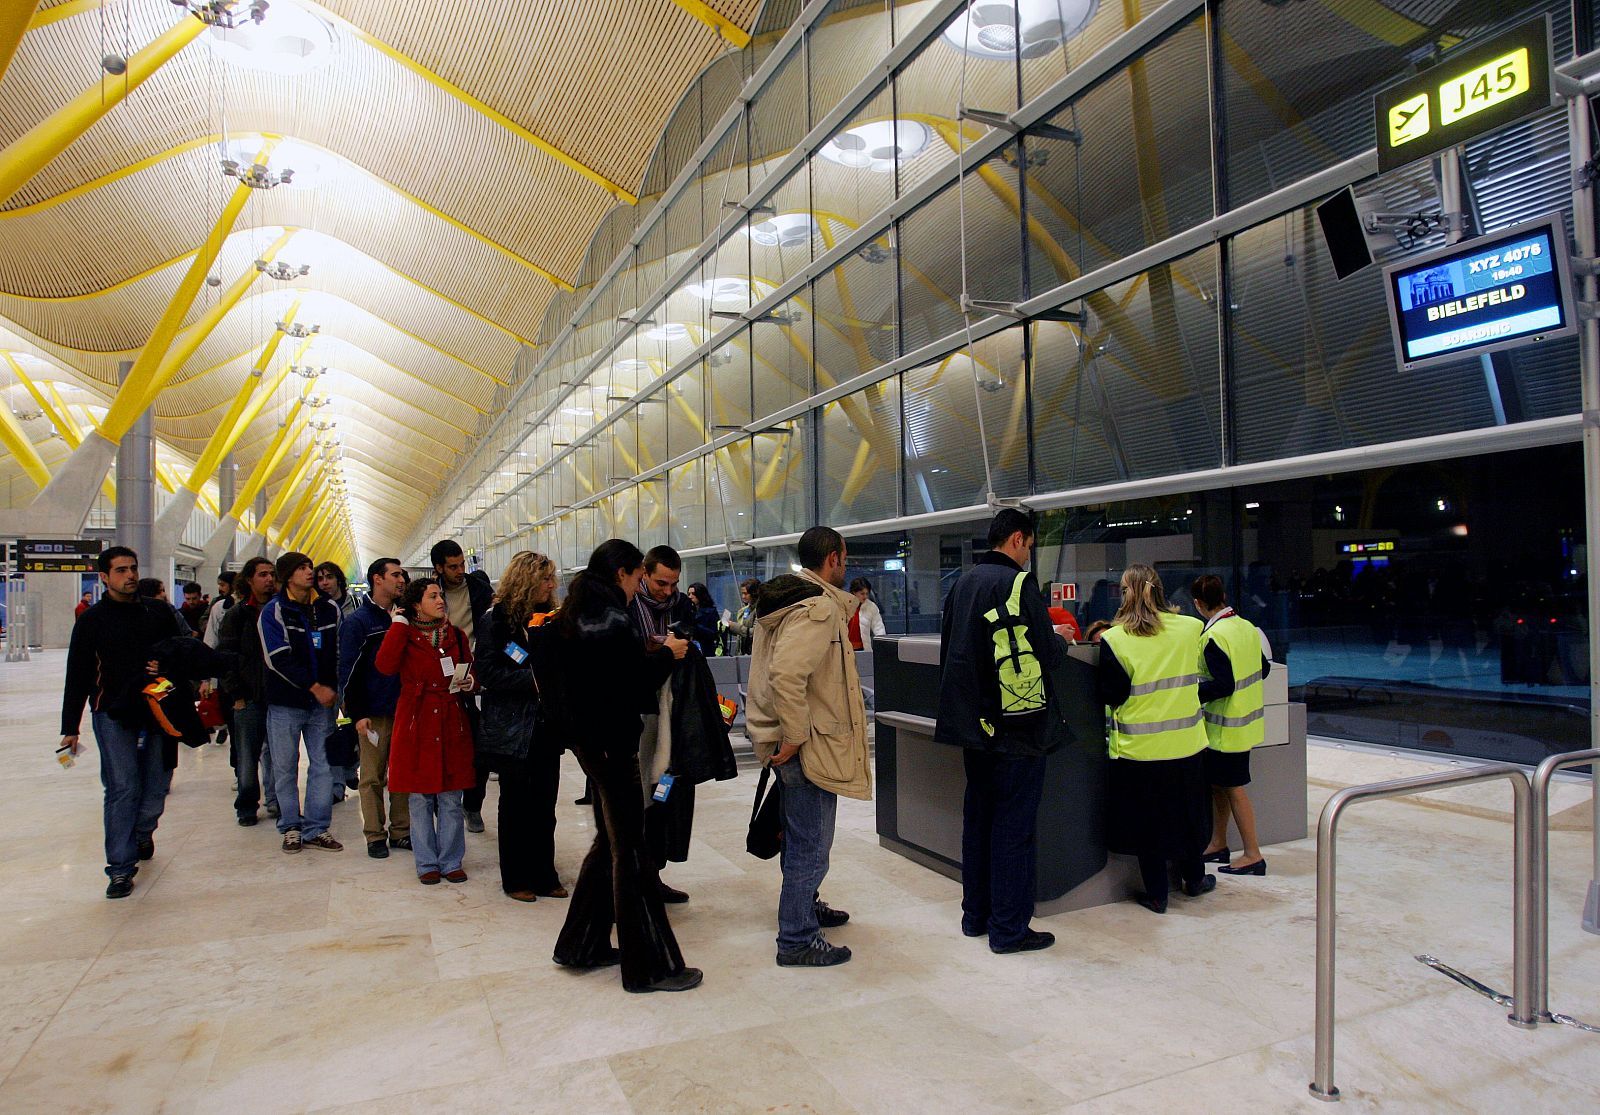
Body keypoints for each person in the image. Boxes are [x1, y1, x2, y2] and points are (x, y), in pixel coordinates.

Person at [550, 539, 701, 993]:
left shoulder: (579, 609)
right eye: (638, 577)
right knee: (630, 851)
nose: (638, 586)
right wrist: (666, 656)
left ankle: (581, 944)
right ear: (623, 573)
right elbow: (631, 685)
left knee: (609, 844)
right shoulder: (611, 618)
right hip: (612, 745)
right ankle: (648, 967)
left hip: (591, 742)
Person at [935, 508, 1069, 954]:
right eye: (1029, 545)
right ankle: (1009, 929)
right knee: (1014, 828)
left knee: (979, 821)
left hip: (974, 727)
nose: (1029, 554)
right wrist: (1063, 638)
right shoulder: (1018, 584)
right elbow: (1046, 652)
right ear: (1016, 539)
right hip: (1017, 727)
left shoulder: (962, 584)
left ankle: (975, 916)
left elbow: (952, 650)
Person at [746, 526, 870, 968]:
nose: (845, 565)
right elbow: (786, 674)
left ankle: (806, 906)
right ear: (833, 558)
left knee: (800, 837)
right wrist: (796, 734)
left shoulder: (789, 599)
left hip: (799, 739)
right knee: (811, 845)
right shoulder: (817, 607)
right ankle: (797, 937)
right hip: (808, 744)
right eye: (844, 558)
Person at [60, 546, 185, 899]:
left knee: (157, 785)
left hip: (157, 709)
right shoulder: (92, 621)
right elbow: (78, 675)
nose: (130, 575)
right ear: (104, 577)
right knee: (123, 787)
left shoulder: (158, 613)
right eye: (121, 570)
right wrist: (70, 727)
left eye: (133, 568)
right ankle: (119, 867)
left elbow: (181, 653)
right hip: (112, 712)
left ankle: (142, 831)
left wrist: (167, 667)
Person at [1098, 564, 1213, 914]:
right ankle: (1194, 880)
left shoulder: (1115, 639)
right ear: (1160, 590)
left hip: (1140, 749)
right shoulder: (1191, 628)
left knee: (1147, 825)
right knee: (1189, 817)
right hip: (1187, 743)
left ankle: (1158, 895)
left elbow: (1112, 693)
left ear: (1124, 593)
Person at [474, 551, 566, 901]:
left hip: (544, 726)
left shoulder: (550, 620)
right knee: (515, 806)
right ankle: (515, 878)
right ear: (526, 581)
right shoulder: (496, 621)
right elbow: (487, 672)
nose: (552, 585)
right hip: (512, 727)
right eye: (545, 579)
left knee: (545, 804)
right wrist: (535, 681)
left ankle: (544, 874)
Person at [375, 579, 478, 885]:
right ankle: (426, 862)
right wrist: (398, 624)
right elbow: (385, 665)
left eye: (440, 595)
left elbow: (470, 668)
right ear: (416, 605)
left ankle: (451, 860)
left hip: (450, 717)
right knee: (419, 798)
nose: (440, 600)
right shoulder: (404, 634)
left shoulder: (455, 635)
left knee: (451, 796)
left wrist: (470, 682)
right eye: (432, 596)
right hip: (416, 720)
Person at [259, 551, 344, 854]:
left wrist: (335, 689)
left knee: (323, 765)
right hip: (286, 703)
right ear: (287, 577)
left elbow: (339, 651)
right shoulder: (274, 611)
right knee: (284, 767)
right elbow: (277, 658)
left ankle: (317, 827)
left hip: (322, 706)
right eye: (302, 568)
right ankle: (291, 827)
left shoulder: (328, 609)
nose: (310, 572)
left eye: (310, 567)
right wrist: (314, 686)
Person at [629, 545, 699, 902]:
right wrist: (660, 651)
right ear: (644, 573)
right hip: (638, 711)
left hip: (671, 708)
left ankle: (654, 873)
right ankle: (634, 879)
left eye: (673, 584)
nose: (667, 591)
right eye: (661, 583)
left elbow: (689, 644)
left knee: (665, 789)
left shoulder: (681, 605)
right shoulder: (627, 605)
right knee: (638, 794)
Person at [1192, 574, 1272, 877]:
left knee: (1234, 789)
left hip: (1226, 729)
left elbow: (1223, 685)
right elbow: (1263, 668)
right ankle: (1218, 842)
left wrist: (1190, 695)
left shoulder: (1213, 637)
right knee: (1220, 787)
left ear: (1198, 604)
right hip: (1244, 724)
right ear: (1223, 596)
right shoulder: (1246, 627)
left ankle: (1253, 854)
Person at [339, 557, 410, 859]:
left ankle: (402, 830)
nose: (401, 580)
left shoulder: (405, 616)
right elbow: (347, 670)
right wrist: (356, 714)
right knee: (371, 776)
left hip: (404, 708)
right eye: (395, 575)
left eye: (402, 575)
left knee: (403, 774)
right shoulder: (359, 622)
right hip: (373, 711)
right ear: (377, 579)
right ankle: (374, 834)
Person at [431, 539, 494, 832]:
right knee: (442, 747)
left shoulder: (479, 590)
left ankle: (473, 805)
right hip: (439, 679)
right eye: (453, 567)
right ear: (439, 568)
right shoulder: (429, 593)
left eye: (462, 565)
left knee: (479, 748)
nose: (460, 571)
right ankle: (441, 804)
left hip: (473, 674)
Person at [218, 556, 278, 826]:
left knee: (279, 756)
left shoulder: (281, 610)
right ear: (249, 580)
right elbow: (226, 657)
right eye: (263, 574)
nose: (269, 579)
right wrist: (237, 695)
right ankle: (246, 806)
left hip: (278, 696)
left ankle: (277, 801)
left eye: (272, 574)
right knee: (247, 756)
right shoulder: (238, 615)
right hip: (249, 697)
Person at [847, 577, 886, 651]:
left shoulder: (871, 607)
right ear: (854, 592)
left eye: (867, 593)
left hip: (862, 649)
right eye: (862, 593)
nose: (865, 596)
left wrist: (882, 645)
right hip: (845, 650)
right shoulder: (844, 605)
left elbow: (878, 627)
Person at [727, 578, 760, 655]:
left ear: (754, 593)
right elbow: (743, 631)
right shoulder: (746, 609)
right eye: (742, 593)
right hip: (743, 651)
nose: (743, 597)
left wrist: (733, 626)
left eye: (745, 594)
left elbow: (754, 633)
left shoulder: (759, 610)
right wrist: (729, 628)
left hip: (753, 652)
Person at [687, 582, 719, 657]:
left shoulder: (711, 612)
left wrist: (696, 627)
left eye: (693, 594)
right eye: (689, 594)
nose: (690, 597)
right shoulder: (689, 611)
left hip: (705, 649)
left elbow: (714, 633)